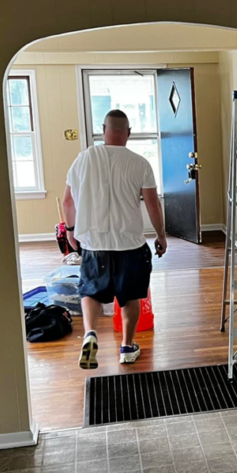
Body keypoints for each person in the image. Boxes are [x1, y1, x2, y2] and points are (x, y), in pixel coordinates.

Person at [62, 109, 166, 369]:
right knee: (130, 297)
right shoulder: (140, 163)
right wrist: (161, 236)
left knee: (90, 290)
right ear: (128, 133)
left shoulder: (83, 159)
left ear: (103, 130)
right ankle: (127, 347)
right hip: (129, 243)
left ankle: (90, 334)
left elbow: (68, 201)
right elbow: (153, 205)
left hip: (94, 243)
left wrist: (72, 231)